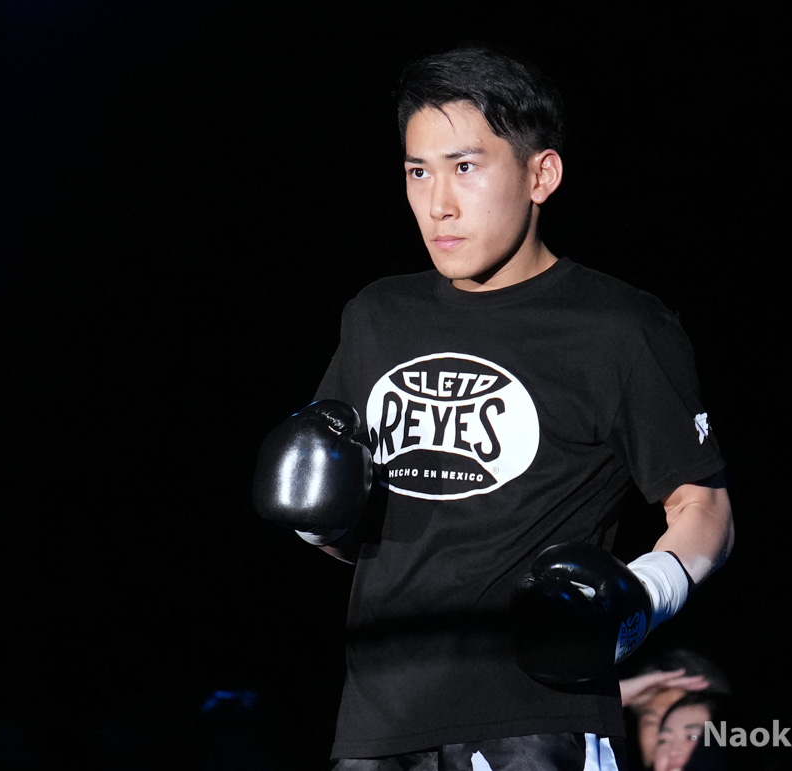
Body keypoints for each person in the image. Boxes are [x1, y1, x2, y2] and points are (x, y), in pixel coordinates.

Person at [254, 45, 734, 770]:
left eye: (465, 167)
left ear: (541, 175)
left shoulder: (619, 327)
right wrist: (318, 523)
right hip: (376, 724)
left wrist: (641, 594)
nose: (437, 204)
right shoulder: (377, 315)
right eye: (419, 171)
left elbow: (705, 506)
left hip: (537, 721)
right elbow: (352, 532)